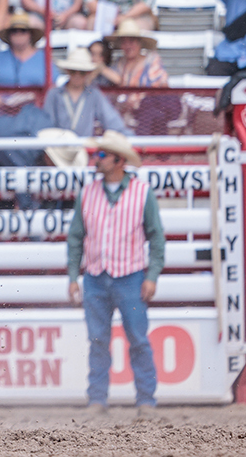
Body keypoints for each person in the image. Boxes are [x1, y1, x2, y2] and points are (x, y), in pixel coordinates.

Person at [66, 132, 164, 416]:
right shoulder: (87, 193)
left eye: (102, 155)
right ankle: (98, 398)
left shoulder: (142, 192)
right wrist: (74, 276)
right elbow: (76, 237)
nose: (97, 159)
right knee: (98, 339)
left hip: (130, 276)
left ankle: (146, 399)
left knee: (138, 339)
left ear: (118, 160)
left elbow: (156, 237)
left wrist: (152, 275)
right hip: (97, 276)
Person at [45, 48, 130, 136]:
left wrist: (129, 138)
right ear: (67, 71)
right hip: (58, 147)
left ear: (88, 73)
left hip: (85, 147)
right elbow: (47, 125)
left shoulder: (94, 94)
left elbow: (112, 120)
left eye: (82, 72)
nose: (77, 76)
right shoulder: (54, 94)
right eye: (73, 71)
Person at [0, 12, 47, 87]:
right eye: (14, 31)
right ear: (9, 35)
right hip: (3, 98)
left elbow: (52, 88)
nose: (18, 34)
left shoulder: (44, 58)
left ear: (30, 34)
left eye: (23, 30)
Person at [99, 18, 167, 88]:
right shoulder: (119, 63)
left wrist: (104, 70)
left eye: (131, 41)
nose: (128, 46)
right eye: (124, 42)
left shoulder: (152, 61)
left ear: (140, 43)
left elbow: (160, 90)